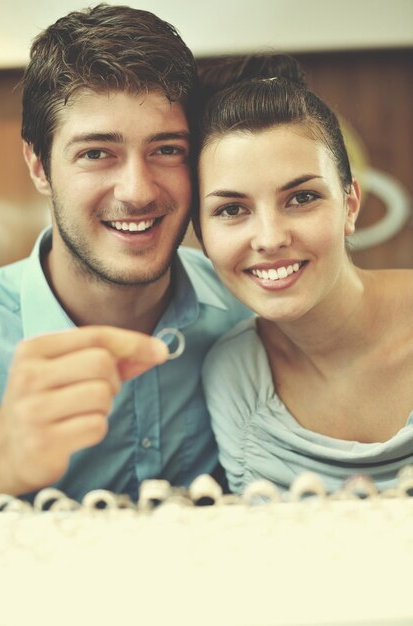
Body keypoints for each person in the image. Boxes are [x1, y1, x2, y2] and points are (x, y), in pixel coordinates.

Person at [0, 4, 250, 500]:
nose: (136, 191)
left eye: (166, 149)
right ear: (39, 165)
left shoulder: (251, 312)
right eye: (96, 153)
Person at [195, 53, 413, 495]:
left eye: (302, 198)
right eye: (232, 210)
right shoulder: (234, 376)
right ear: (200, 233)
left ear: (350, 204)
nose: (270, 238)